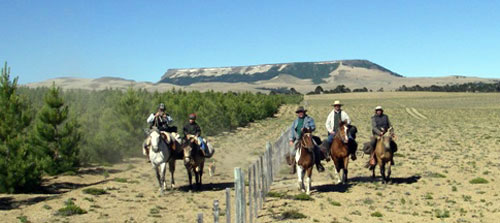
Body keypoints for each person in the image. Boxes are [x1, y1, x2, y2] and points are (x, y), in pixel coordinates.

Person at [288, 106, 325, 174]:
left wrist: (307, 128)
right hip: (298, 138)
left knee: (316, 147)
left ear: (304, 112)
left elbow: (313, 127)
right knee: (292, 150)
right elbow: (292, 130)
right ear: (298, 113)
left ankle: (318, 164)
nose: (300, 113)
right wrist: (291, 139)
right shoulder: (295, 121)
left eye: (301, 112)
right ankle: (293, 165)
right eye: (299, 112)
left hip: (308, 137)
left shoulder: (309, 119)